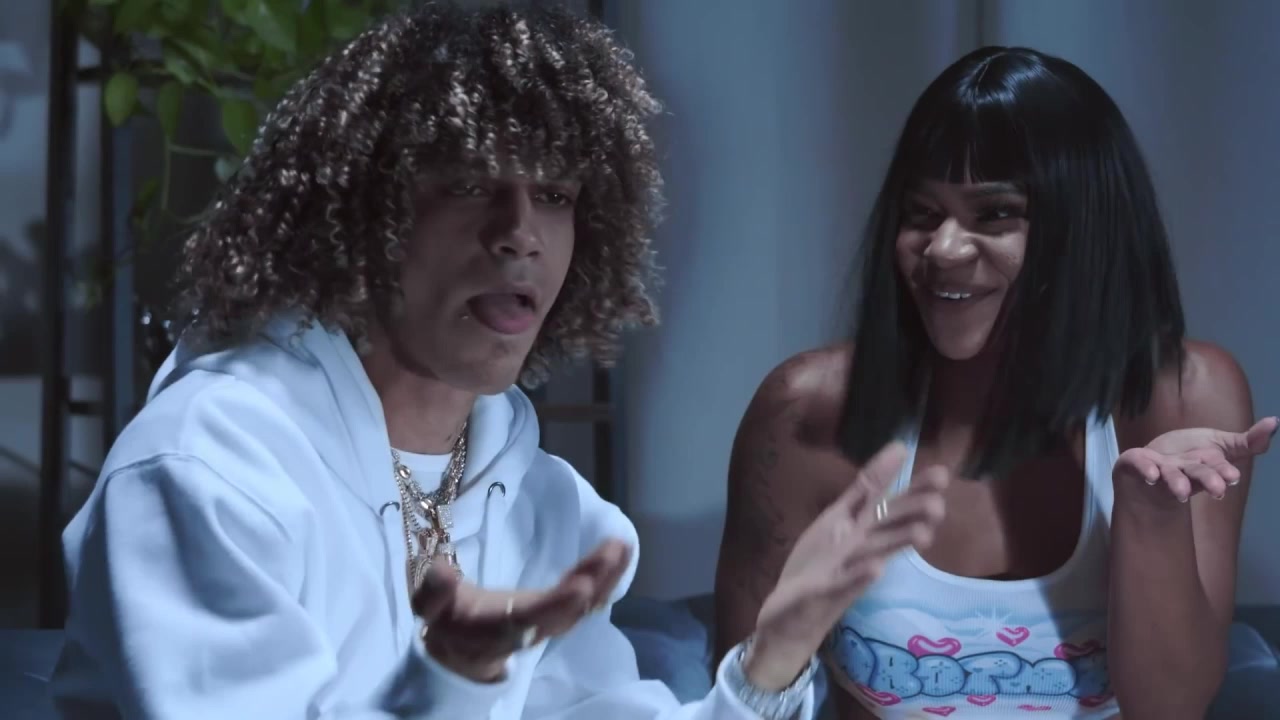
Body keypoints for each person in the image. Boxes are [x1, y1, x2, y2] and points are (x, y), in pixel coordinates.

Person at [49, 4, 952, 719]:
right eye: (470, 184)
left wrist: (772, 657)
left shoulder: (548, 508)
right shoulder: (204, 470)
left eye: (553, 194)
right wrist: (453, 679)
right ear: (361, 213)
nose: (520, 233)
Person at [713, 45, 1275, 720]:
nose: (943, 249)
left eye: (995, 214)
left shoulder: (1184, 393)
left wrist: (1151, 516)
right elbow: (735, 705)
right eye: (922, 213)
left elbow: (1169, 709)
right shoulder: (804, 413)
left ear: (1085, 227)